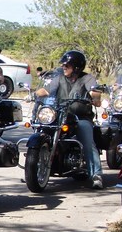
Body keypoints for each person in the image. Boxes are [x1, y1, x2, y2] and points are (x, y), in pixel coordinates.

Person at [34, 50, 104, 189]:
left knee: (87, 141)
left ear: (76, 67)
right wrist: (33, 94)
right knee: (41, 128)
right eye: (63, 65)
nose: (63, 67)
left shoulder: (87, 78)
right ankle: (34, 168)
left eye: (67, 65)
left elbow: (94, 91)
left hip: (81, 117)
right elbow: (46, 90)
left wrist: (95, 98)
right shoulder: (60, 78)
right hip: (60, 115)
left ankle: (96, 175)